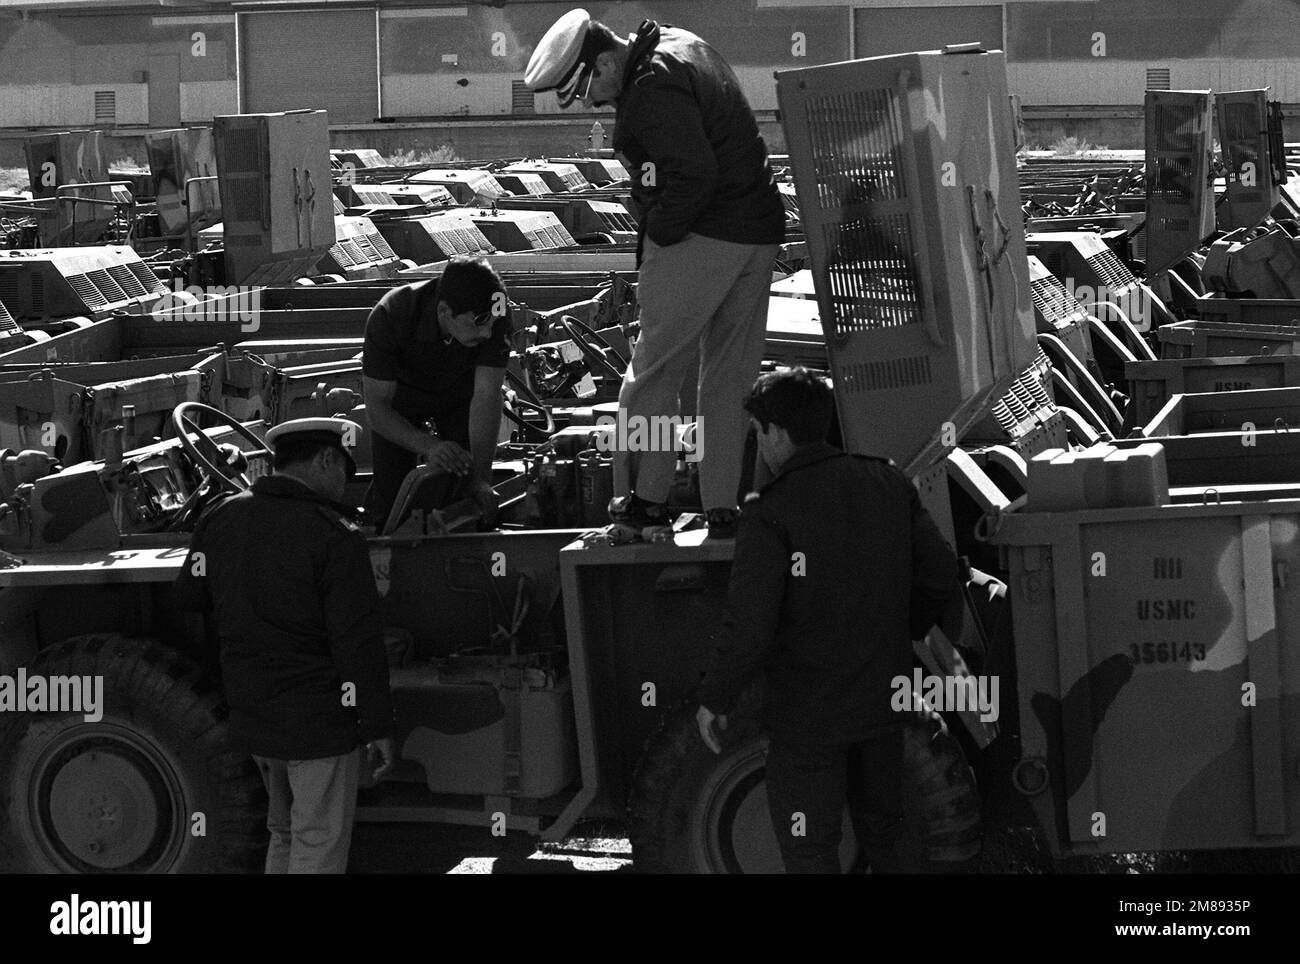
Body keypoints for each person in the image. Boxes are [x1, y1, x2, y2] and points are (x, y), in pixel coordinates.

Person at [525, 9, 786, 538]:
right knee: (727, 377)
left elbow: (694, 174)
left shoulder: (649, 90)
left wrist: (660, 233)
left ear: (603, 59)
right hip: (757, 231)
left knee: (651, 375)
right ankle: (721, 504)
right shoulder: (684, 43)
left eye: (592, 86)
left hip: (705, 235)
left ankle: (644, 499)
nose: (596, 102)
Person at [695, 369, 964, 874]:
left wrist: (716, 697)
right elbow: (940, 575)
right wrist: (898, 632)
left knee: (811, 851)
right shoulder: (888, 481)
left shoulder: (769, 512)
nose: (759, 445)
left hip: (808, 722)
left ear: (777, 432)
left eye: (757, 433)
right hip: (883, 706)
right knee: (887, 839)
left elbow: (749, 623)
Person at [174, 417, 397, 874]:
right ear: (325, 459)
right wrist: (378, 726)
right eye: (342, 472)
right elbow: (358, 643)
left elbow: (188, 596)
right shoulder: (334, 536)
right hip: (318, 721)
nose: (342, 485)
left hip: (256, 717)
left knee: (284, 832)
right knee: (318, 839)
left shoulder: (219, 518)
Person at [361, 255, 510, 531]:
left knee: (465, 485)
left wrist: (480, 480)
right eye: (479, 321)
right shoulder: (392, 314)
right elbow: (377, 409)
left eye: (493, 321)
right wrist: (429, 446)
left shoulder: (495, 308)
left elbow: (487, 396)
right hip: (400, 404)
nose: (489, 332)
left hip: (461, 397)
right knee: (392, 498)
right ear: (444, 312)